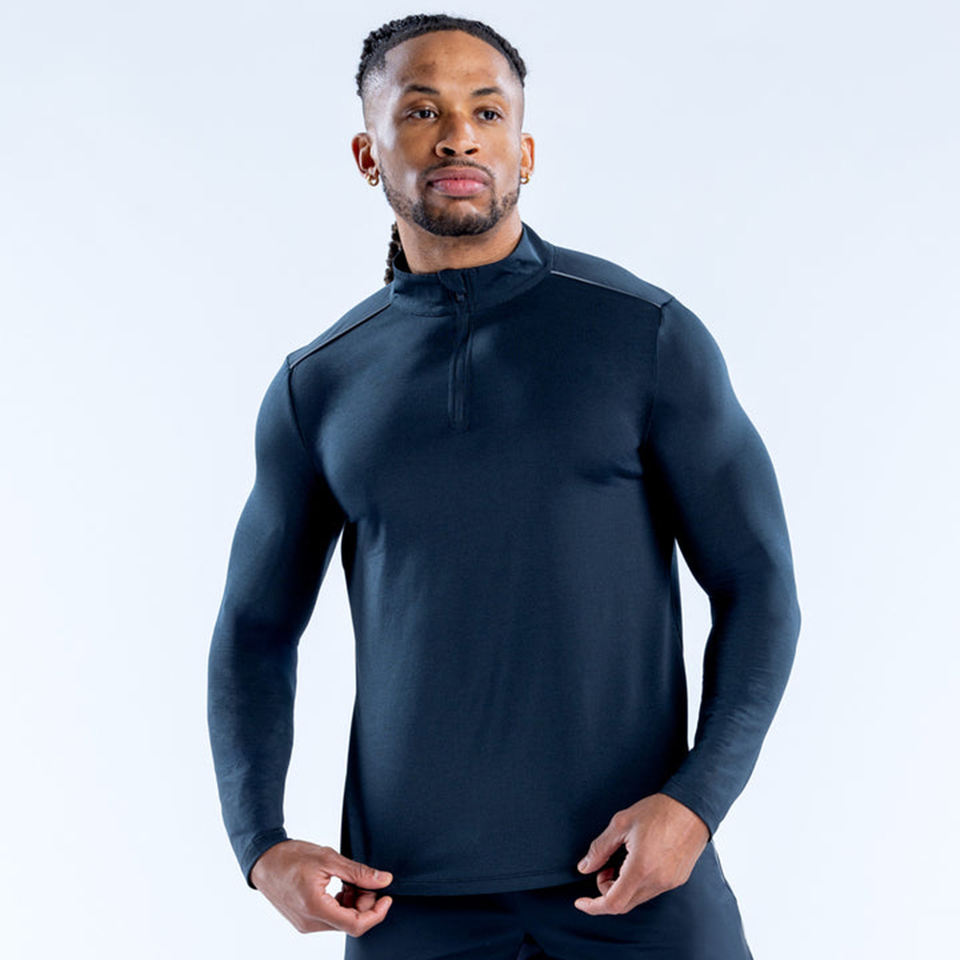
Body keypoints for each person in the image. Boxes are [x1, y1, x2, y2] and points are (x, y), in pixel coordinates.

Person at [206, 13, 801, 959]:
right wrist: (259, 843)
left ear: (524, 149)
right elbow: (254, 628)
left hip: (635, 887)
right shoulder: (319, 385)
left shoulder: (642, 334)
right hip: (406, 903)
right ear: (367, 153)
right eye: (422, 112)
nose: (458, 136)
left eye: (487, 111)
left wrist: (697, 803)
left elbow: (758, 582)